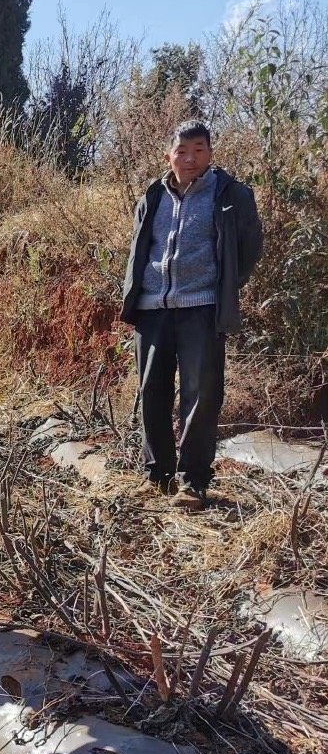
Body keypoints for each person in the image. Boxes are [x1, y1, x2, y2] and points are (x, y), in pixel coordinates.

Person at [120, 120, 263, 510]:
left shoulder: (230, 194)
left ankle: (193, 482)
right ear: (169, 155)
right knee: (152, 391)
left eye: (199, 150)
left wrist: (223, 284)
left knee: (201, 394)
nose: (190, 159)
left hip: (202, 308)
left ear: (210, 153)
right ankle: (158, 476)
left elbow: (250, 246)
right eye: (182, 151)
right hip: (153, 308)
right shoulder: (153, 195)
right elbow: (139, 248)